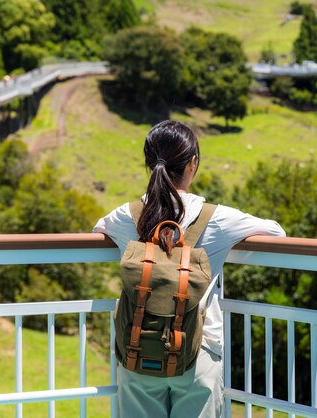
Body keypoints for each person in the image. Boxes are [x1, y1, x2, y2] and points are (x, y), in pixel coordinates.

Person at [93, 120, 286, 417]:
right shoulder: (217, 219)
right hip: (198, 353)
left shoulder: (127, 216)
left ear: (149, 164)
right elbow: (276, 233)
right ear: (192, 164)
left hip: (138, 349)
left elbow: (98, 229)